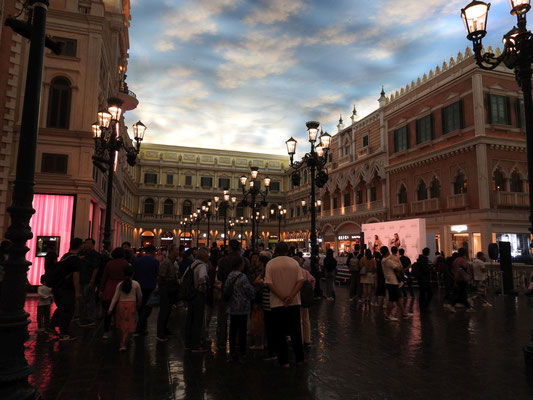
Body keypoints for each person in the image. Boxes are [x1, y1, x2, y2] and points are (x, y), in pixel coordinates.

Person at [264, 241, 305, 368]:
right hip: (294, 303)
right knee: (296, 332)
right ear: (287, 251)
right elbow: (301, 281)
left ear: (275, 251)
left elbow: (269, 283)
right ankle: (299, 359)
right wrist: (291, 296)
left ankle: (284, 361)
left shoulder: (271, 264)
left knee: (279, 333)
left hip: (277, 304)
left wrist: (282, 297)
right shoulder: (294, 263)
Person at [223, 254, 255, 363]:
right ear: (240, 265)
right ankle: (242, 352)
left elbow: (226, 289)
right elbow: (250, 291)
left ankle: (232, 353)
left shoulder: (230, 275)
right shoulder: (242, 277)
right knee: (242, 331)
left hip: (232, 307)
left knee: (232, 330)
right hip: (242, 307)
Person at [49, 238, 83, 341]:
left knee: (62, 307)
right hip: (67, 288)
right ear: (80, 246)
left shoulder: (65, 256)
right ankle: (63, 333)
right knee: (67, 310)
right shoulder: (75, 260)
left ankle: (52, 325)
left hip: (58, 287)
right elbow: (75, 277)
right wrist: (77, 292)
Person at [216, 239, 247, 350]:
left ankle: (221, 342)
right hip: (240, 294)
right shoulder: (244, 260)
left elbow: (219, 277)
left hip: (226, 292)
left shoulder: (223, 261)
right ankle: (237, 341)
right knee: (238, 319)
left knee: (223, 318)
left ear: (230, 248)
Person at [108, 265, 142, 351]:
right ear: (133, 273)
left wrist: (110, 309)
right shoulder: (136, 284)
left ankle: (122, 342)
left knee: (121, 324)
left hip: (121, 305)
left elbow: (115, 297)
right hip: (131, 305)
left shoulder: (120, 284)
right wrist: (139, 303)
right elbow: (140, 296)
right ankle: (123, 343)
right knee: (128, 324)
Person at [100, 247, 129, 339]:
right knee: (120, 311)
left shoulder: (109, 263)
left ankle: (106, 331)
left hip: (109, 287)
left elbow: (104, 277)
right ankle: (119, 329)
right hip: (121, 287)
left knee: (108, 311)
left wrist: (101, 289)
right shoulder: (125, 263)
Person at [184, 248, 209, 352]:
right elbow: (202, 277)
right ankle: (196, 344)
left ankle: (188, 343)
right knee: (198, 320)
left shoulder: (192, 265)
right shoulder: (202, 265)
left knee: (190, 318)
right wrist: (202, 288)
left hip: (191, 295)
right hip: (198, 294)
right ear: (203, 257)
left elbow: (183, 278)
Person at [133, 245, 160, 335]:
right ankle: (140, 326)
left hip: (139, 286)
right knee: (148, 307)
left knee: (140, 306)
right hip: (150, 286)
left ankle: (142, 327)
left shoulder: (137, 261)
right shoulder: (155, 262)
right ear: (153, 252)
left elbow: (134, 273)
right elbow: (157, 275)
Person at [382, 246, 412, 321]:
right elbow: (398, 268)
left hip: (390, 281)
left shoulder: (384, 260)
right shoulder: (388, 261)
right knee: (392, 299)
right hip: (392, 281)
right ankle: (388, 315)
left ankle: (404, 313)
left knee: (398, 298)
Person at [156, 243, 180, 341]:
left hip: (170, 288)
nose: (178, 252)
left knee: (168, 311)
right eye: (176, 250)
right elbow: (161, 277)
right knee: (164, 311)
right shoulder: (166, 262)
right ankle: (160, 333)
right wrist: (162, 288)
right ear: (171, 251)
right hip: (166, 289)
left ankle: (164, 329)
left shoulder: (172, 262)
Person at [77, 240, 100, 327]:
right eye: (85, 243)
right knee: (82, 299)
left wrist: (92, 280)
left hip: (88, 280)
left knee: (89, 299)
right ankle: (83, 317)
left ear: (93, 245)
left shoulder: (95, 255)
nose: (86, 245)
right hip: (82, 279)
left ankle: (90, 318)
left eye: (88, 243)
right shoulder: (82, 253)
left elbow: (96, 268)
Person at [448, 248, 474, 312]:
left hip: (457, 278)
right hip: (462, 278)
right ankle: (452, 304)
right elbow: (464, 269)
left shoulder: (456, 260)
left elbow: (453, 269)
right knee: (462, 293)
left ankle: (468, 307)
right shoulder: (463, 260)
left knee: (462, 293)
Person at [300, 262, 315, 346]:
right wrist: (310, 290)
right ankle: (307, 339)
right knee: (306, 318)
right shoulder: (305, 271)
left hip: (297, 297)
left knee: (299, 319)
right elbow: (313, 280)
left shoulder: (295, 272)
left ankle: (301, 338)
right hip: (305, 298)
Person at [414, 248, 433, 312]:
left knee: (422, 293)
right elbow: (425, 270)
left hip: (421, 279)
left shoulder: (420, 259)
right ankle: (424, 306)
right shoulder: (424, 260)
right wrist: (429, 269)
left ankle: (422, 307)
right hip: (425, 279)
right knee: (429, 293)